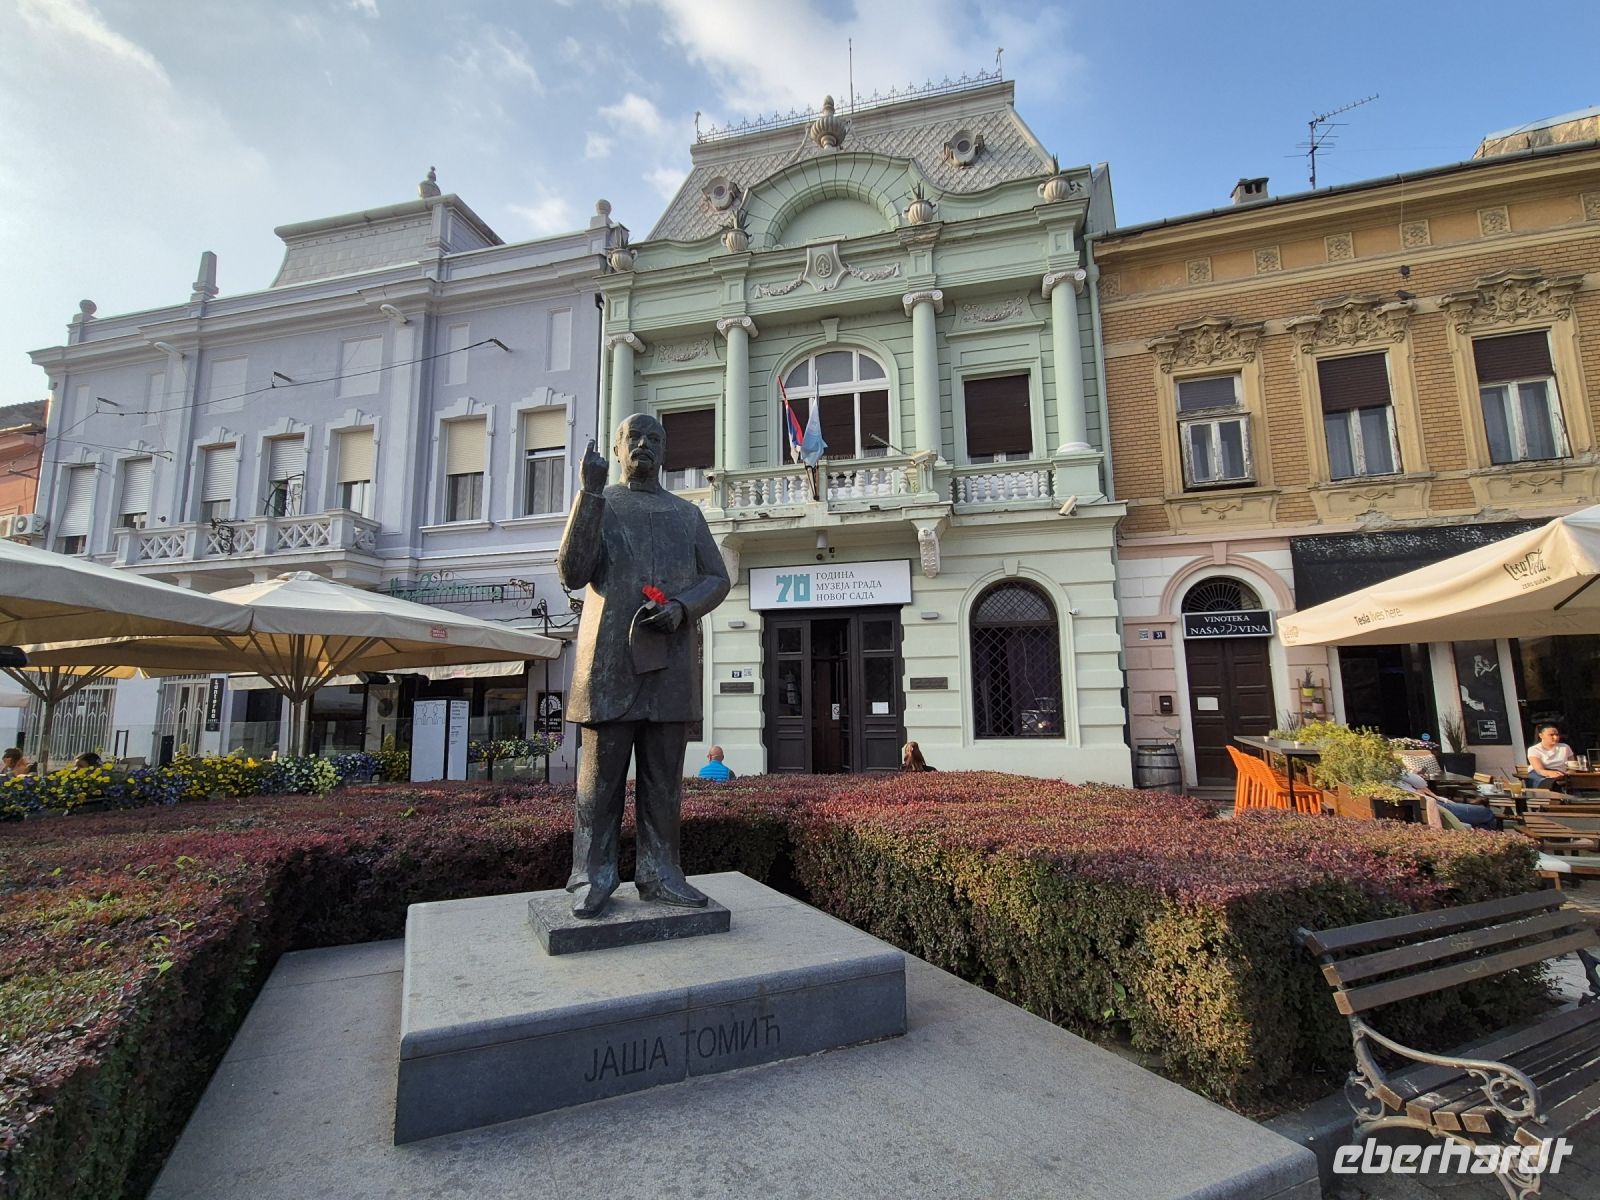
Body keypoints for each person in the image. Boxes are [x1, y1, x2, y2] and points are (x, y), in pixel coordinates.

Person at [557, 414, 731, 919]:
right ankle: (592, 876)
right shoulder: (601, 502)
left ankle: (661, 873)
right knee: (599, 783)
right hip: (609, 660)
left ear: (665, 450)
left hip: (669, 662)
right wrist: (588, 495)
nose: (643, 446)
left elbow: (715, 579)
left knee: (663, 783)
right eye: (633, 438)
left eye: (653, 439)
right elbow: (572, 570)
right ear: (617, 448)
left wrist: (680, 607)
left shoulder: (686, 514)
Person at [1395, 768, 1496, 829]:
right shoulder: (1394, 770)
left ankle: (1476, 834)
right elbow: (1421, 783)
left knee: (1480, 817)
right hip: (1435, 806)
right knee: (1487, 813)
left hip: (1429, 804)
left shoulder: (1385, 777)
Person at [1526, 723, 1574, 790]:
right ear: (1541, 735)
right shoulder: (1534, 749)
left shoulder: (1565, 747)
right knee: (1546, 782)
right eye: (1551, 735)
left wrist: (1568, 773)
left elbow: (1572, 766)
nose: (1555, 737)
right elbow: (1539, 770)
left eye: (1557, 735)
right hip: (1541, 774)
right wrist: (1551, 774)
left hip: (1561, 774)